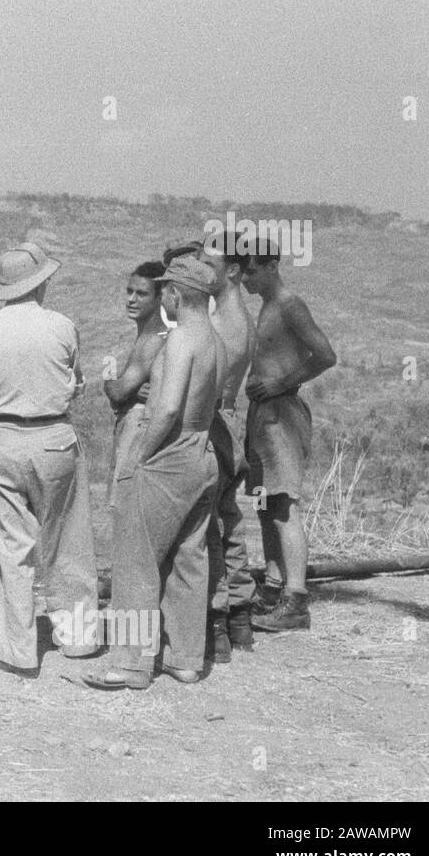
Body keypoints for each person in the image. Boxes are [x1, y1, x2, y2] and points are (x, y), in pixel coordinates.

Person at [84, 256, 225, 690]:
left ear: (177, 293)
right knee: (189, 555)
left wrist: (139, 457)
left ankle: (130, 664)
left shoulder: (181, 339)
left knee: (135, 558)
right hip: (204, 451)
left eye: (164, 288)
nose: (161, 294)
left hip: (172, 452)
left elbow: (165, 408)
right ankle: (185, 658)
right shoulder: (215, 341)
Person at [0, 243, 99, 679]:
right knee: (67, 540)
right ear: (40, 282)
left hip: (3, 437)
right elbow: (75, 380)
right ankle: (78, 638)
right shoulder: (62, 325)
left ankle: (19, 651)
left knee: (12, 547)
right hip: (54, 437)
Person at [241, 236, 337, 632]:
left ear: (270, 266)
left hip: (282, 414)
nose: (244, 277)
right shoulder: (266, 308)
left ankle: (296, 601)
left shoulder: (288, 305)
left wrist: (282, 384)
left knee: (284, 506)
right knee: (266, 505)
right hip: (263, 416)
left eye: (250, 269)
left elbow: (326, 355)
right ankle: (274, 585)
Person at [197, 237, 258, 659]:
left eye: (210, 265)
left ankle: (216, 622)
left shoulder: (223, 323)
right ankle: (239, 620)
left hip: (213, 423)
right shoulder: (241, 317)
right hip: (228, 424)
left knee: (210, 528)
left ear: (233, 271)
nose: (203, 272)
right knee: (230, 523)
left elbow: (206, 385)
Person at [103, 262, 167, 509]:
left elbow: (117, 391)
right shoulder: (145, 334)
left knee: (124, 504)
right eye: (129, 291)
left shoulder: (153, 338)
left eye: (141, 294)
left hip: (137, 426)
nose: (131, 299)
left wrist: (110, 379)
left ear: (160, 297)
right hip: (133, 420)